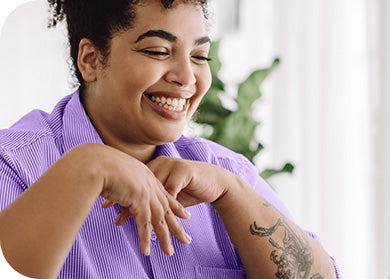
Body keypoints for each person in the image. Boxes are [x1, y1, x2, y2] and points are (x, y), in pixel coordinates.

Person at [0, 0, 340, 278]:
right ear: (91, 60)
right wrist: (89, 165)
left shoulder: (225, 171)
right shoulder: (12, 165)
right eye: (159, 51)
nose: (186, 77)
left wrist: (231, 194)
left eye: (199, 56)